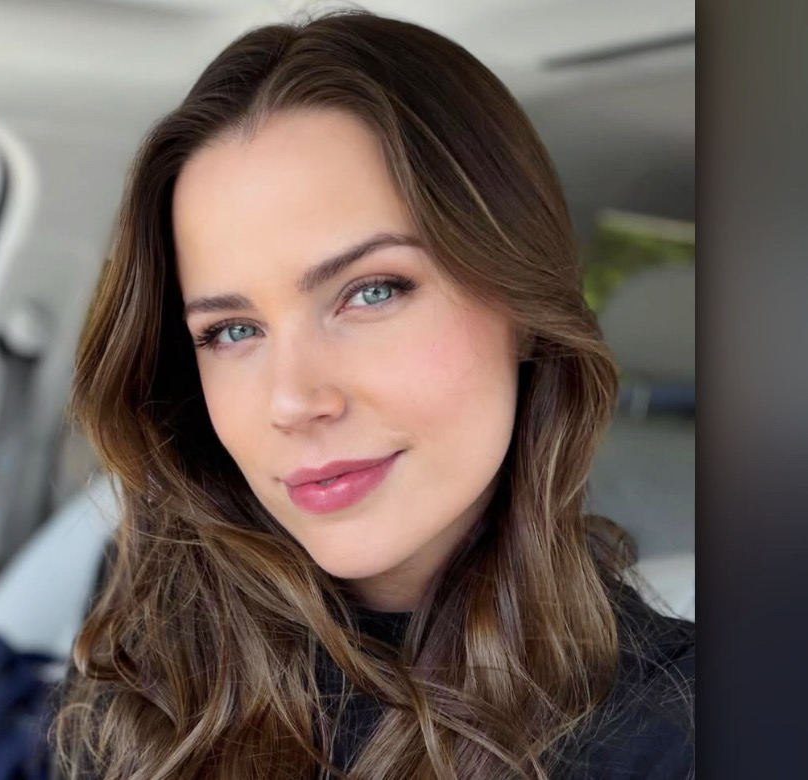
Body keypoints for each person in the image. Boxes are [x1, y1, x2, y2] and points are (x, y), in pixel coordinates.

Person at [52, 10, 694, 780]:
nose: (293, 400)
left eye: (372, 291)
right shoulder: (149, 656)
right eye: (231, 331)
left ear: (523, 308)